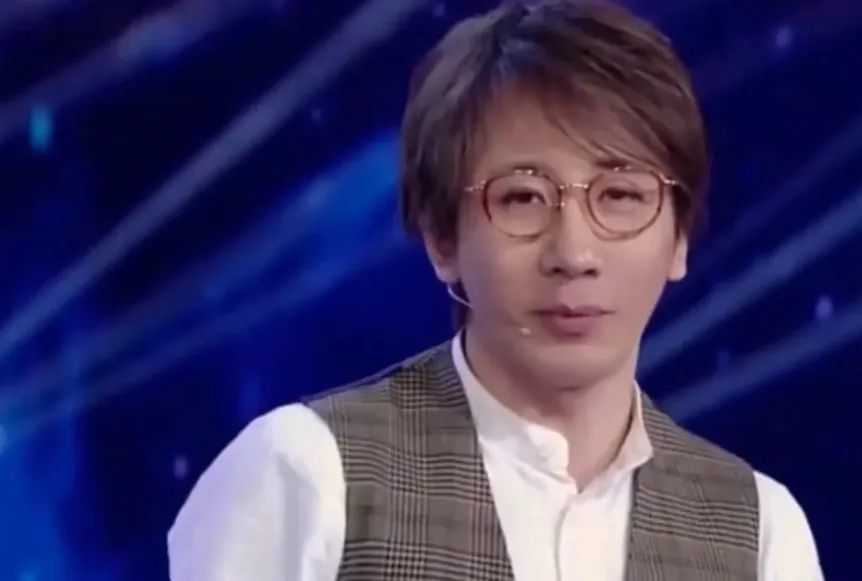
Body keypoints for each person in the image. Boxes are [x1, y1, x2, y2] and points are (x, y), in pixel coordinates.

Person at [168, 0, 824, 579]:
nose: (574, 253)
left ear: (679, 238)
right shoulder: (305, 476)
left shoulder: (759, 530)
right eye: (522, 198)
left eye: (621, 196)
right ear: (442, 239)